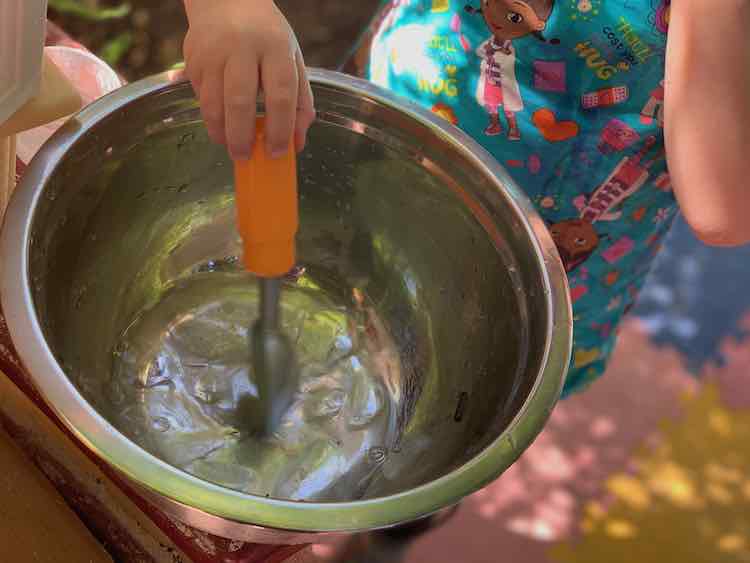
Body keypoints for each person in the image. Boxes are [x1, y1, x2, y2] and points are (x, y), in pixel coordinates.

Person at [183, 0, 750, 398]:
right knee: (338, 263)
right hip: (404, 111)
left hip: (560, 242)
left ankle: (410, 509)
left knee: (467, 381)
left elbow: (723, 208)